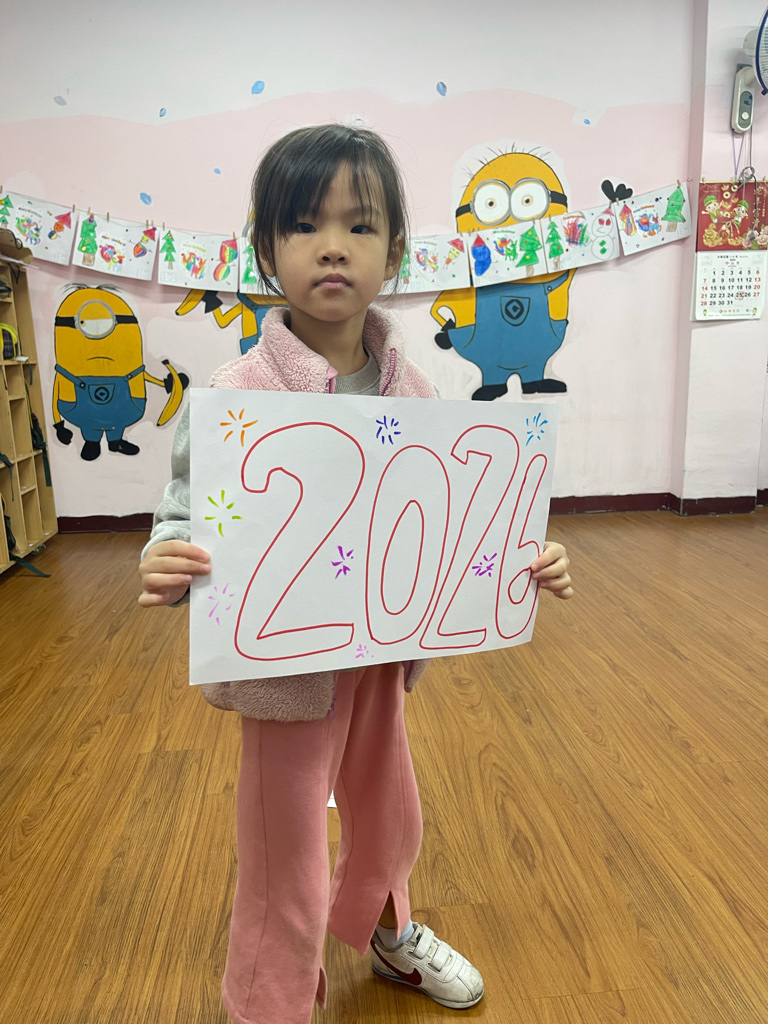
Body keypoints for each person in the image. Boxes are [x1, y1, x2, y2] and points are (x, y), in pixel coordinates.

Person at [138, 123, 573, 1024]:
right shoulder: (238, 393)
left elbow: (458, 518)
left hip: (381, 659)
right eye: (305, 224)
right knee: (285, 857)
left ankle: (388, 932)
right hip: (283, 674)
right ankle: (269, 1004)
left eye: (359, 225)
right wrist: (168, 555)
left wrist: (520, 561)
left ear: (394, 253)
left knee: (390, 818)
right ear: (267, 251)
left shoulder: (417, 393)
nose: (332, 245)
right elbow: (187, 511)